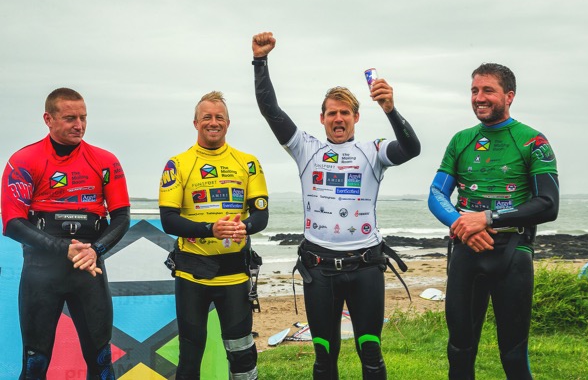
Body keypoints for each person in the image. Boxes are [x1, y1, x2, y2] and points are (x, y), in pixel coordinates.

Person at [251, 31, 421, 379]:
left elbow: (411, 148)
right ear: (322, 118)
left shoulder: (373, 151)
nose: (338, 118)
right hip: (319, 270)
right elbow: (270, 110)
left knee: (371, 352)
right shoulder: (306, 149)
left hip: (365, 267)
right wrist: (260, 61)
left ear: (356, 117)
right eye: (332, 113)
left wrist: (390, 110)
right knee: (324, 356)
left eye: (345, 113)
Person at [428, 63, 559, 379]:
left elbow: (548, 204)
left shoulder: (533, 141)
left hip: (512, 252)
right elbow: (436, 193)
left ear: (509, 96)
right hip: (466, 251)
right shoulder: (461, 140)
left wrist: (487, 218)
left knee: (513, 354)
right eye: (474, 90)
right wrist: (463, 226)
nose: (479, 97)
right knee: (459, 351)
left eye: (488, 90)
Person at [1, 87, 131, 379]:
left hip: (88, 269)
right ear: (48, 119)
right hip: (41, 273)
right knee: (35, 365)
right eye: (71, 118)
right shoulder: (24, 160)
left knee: (101, 361)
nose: (79, 125)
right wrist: (65, 249)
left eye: (83, 117)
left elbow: (122, 217)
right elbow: (12, 223)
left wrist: (95, 250)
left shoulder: (105, 160)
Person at [159, 91, 269, 380]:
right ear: (196, 123)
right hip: (192, 276)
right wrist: (210, 230)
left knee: (242, 353)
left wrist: (244, 227)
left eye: (219, 117)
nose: (213, 122)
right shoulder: (178, 164)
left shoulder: (248, 162)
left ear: (228, 123)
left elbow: (261, 216)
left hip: (235, 277)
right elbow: (168, 220)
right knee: (190, 353)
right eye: (206, 117)